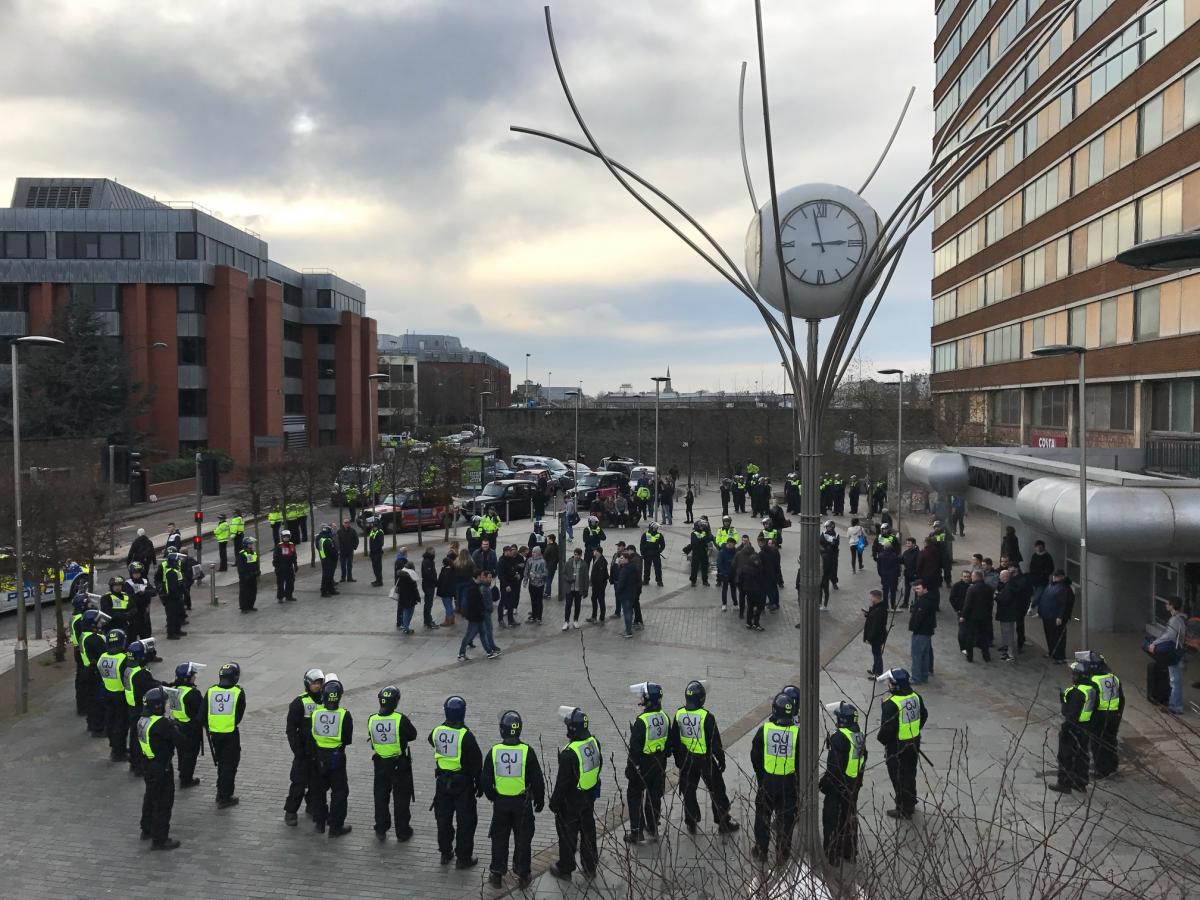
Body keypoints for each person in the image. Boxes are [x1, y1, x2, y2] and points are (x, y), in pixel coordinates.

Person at [484, 710, 545, 889]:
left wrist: (491, 795)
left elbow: (485, 778)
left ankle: (497, 873)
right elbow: (537, 779)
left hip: (501, 803)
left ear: (502, 730)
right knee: (523, 839)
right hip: (522, 804)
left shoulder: (494, 751)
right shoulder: (527, 751)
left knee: (499, 838)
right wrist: (539, 801)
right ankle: (523, 874)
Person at [671, 680, 739, 835]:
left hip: (687, 761)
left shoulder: (679, 713)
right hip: (705, 761)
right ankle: (723, 821)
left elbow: (674, 740)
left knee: (688, 791)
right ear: (702, 699)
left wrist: (679, 760)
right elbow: (715, 743)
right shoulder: (707, 716)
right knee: (717, 790)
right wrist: (721, 760)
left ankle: (691, 821)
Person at [548, 707, 602, 881]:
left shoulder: (569, 753)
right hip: (589, 796)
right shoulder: (594, 742)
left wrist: (554, 803)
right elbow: (599, 765)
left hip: (571, 801)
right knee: (588, 832)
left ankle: (565, 868)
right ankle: (590, 866)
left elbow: (562, 783)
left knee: (567, 835)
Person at [430, 695, 483, 869]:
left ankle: (445, 853)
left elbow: (431, 739)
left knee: (443, 819)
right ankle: (463, 858)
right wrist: (480, 784)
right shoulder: (466, 736)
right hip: (462, 784)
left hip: (442, 782)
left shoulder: (437, 731)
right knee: (466, 821)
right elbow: (476, 762)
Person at [751, 693, 801, 865]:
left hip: (768, 781)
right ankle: (783, 852)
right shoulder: (797, 733)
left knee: (763, 816)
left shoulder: (764, 730)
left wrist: (761, 775)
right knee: (786, 819)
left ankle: (761, 849)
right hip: (788, 783)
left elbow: (755, 756)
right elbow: (802, 761)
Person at [367, 684, 418, 841]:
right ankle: (402, 832)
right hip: (399, 764)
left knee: (381, 796)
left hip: (380, 763)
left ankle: (381, 827)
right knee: (401, 799)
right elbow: (413, 735)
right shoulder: (400, 719)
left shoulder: (372, 719)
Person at [876, 667, 928, 819]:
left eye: (890, 683)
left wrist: (882, 740)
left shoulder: (891, 704)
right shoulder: (916, 696)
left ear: (895, 685)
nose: (889, 685)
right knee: (910, 773)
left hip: (897, 747)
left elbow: (886, 730)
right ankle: (911, 800)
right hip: (914, 742)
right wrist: (914, 731)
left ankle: (903, 808)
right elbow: (924, 715)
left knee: (898, 777)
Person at [820, 700, 866, 865]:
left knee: (832, 819)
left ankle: (832, 853)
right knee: (849, 818)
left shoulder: (839, 738)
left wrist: (826, 783)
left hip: (839, 787)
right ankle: (850, 852)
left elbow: (835, 766)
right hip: (853, 784)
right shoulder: (858, 735)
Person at [625, 682, 668, 844]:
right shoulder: (665, 717)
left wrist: (631, 770)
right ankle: (652, 826)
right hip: (659, 764)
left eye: (643, 696)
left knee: (634, 795)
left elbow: (634, 750)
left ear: (649, 700)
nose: (641, 697)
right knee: (654, 796)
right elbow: (668, 742)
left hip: (643, 765)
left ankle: (636, 832)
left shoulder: (641, 721)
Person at [137, 686, 180, 850]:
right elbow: (180, 740)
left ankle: (146, 829)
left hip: (147, 764)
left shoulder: (142, 720)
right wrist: (175, 727)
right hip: (161, 767)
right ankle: (160, 838)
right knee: (163, 802)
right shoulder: (162, 724)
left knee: (150, 797)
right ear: (158, 706)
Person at [310, 675, 353, 836]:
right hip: (337, 757)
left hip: (319, 755)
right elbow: (347, 739)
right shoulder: (344, 714)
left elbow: (310, 735)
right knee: (339, 792)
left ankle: (319, 822)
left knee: (319, 790)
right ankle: (335, 826)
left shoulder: (316, 713)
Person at [1048, 661, 1097, 793]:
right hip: (1085, 727)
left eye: (1074, 674)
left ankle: (1064, 783)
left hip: (1073, 728)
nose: (1072, 677)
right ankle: (1080, 782)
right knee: (1082, 756)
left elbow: (1069, 713)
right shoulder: (1091, 690)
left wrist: (1064, 701)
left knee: (1065, 756)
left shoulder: (1076, 693)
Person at [284, 668, 324, 825]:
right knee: (298, 783)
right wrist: (297, 750)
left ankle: (312, 805)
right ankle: (291, 812)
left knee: (317, 782)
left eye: (320, 683)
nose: (317, 686)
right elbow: (291, 729)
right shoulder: (299, 702)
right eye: (314, 683)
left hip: (319, 751)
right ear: (308, 684)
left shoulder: (325, 701)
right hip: (303, 752)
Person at [1076, 650, 1125, 777]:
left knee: (1098, 743)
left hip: (1100, 715)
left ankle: (1102, 770)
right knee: (1111, 740)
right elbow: (1122, 698)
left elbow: (1091, 702)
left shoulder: (1093, 681)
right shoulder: (1114, 678)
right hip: (1114, 714)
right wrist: (1119, 713)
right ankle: (1113, 766)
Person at [205, 661, 246, 808]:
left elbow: (203, 713)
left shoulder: (211, 691)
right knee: (230, 766)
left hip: (215, 734)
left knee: (222, 764)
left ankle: (220, 791)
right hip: (230, 735)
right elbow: (239, 715)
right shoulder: (238, 692)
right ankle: (225, 796)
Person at [123, 639, 159, 776]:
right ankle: (139, 766)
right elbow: (151, 686)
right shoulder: (141, 673)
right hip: (139, 709)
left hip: (131, 707)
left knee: (133, 736)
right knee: (140, 739)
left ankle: (134, 762)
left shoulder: (128, 669)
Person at [1148, 596, 1187, 715]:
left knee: (1174, 680)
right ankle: (1175, 704)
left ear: (1172, 605)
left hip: (1174, 652)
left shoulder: (1175, 620)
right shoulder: (1180, 619)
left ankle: (1176, 706)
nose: (1166, 605)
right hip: (1179, 650)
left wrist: (1155, 643)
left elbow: (1170, 636)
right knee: (1176, 679)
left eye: (1167, 604)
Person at [97, 628, 130, 761]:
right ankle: (119, 752)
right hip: (121, 696)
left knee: (111, 721)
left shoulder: (103, 657)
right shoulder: (123, 659)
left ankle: (115, 746)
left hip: (107, 693)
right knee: (121, 724)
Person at [170, 661, 204, 789]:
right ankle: (186, 778)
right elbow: (200, 710)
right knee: (191, 753)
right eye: (193, 675)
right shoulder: (192, 693)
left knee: (181, 751)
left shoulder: (174, 690)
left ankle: (182, 771)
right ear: (187, 678)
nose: (195, 677)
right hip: (190, 727)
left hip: (177, 724)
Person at [78, 610, 110, 736]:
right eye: (98, 622)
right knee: (98, 701)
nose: (100, 624)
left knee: (91, 700)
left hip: (87, 671)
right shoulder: (94, 639)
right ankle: (98, 728)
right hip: (95, 672)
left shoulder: (84, 635)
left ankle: (92, 724)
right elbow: (105, 654)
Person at [458, 569, 500, 661]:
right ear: (477, 577)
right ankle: (461, 653)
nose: (483, 577)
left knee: (482, 633)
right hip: (475, 616)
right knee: (468, 635)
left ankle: (489, 652)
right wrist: (480, 611)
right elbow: (474, 603)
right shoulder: (473, 588)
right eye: (481, 575)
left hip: (479, 616)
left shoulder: (477, 586)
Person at [1039, 570, 1075, 663]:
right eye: (1054, 576)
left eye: (1057, 576)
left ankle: (1060, 656)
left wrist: (1060, 616)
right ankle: (1052, 652)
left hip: (1056, 617)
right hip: (1047, 615)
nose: (1054, 578)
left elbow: (1065, 604)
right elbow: (1044, 598)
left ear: (1062, 577)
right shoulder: (1051, 585)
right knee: (1049, 635)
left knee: (1058, 636)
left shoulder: (1065, 588)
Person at [960, 570, 995, 663]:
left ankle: (970, 656)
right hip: (985, 617)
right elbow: (990, 603)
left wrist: (963, 615)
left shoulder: (972, 589)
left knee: (970, 637)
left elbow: (967, 604)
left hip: (972, 617)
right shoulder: (989, 588)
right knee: (984, 636)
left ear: (975, 577)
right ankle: (986, 656)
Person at [908, 580, 937, 684]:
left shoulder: (923, 601)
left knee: (917, 655)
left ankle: (916, 678)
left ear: (925, 589)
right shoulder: (929, 599)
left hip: (921, 632)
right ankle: (924, 676)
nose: (916, 591)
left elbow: (919, 617)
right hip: (927, 631)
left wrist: (913, 627)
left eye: (918, 588)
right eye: (915, 589)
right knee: (925, 655)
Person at [994, 569, 1021, 661]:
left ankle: (1010, 655)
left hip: (1007, 615)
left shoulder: (1009, 588)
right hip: (1007, 614)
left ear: (1005, 577)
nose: (999, 577)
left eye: (1001, 576)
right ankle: (1007, 652)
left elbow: (1005, 600)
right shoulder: (1008, 586)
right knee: (1006, 634)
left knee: (1008, 635)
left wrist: (996, 597)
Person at [739, 549, 767, 632]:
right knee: (759, 607)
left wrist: (743, 588)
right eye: (756, 560)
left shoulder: (744, 568)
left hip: (748, 590)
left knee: (750, 607)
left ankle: (749, 623)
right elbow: (761, 580)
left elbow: (740, 579)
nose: (757, 562)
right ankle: (756, 623)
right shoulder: (758, 570)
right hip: (757, 591)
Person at [863, 589, 889, 677]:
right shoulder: (877, 607)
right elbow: (873, 618)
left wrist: (869, 638)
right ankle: (875, 670)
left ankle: (878, 672)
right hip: (878, 636)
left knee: (877, 654)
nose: (870, 599)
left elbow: (876, 626)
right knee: (875, 653)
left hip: (877, 636)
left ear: (876, 598)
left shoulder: (880, 610)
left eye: (871, 597)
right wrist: (868, 614)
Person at [234, 535, 260, 613]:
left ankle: (250, 606)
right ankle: (244, 607)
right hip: (245, 577)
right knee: (244, 592)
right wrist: (245, 575)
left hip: (253, 576)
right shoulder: (242, 554)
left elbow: (256, 563)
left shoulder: (253, 553)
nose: (251, 546)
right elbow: (241, 567)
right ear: (245, 545)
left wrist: (257, 571)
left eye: (251, 544)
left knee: (253, 591)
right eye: (249, 544)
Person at [686, 519, 715, 587]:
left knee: (704, 567)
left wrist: (704, 538)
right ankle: (693, 581)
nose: (702, 528)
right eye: (700, 526)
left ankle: (705, 581)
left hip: (704, 551)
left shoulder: (704, 533)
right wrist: (704, 540)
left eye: (702, 526)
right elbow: (695, 543)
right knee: (694, 567)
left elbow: (709, 539)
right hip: (696, 552)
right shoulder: (693, 534)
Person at [562, 547, 587, 628]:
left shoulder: (584, 564)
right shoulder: (568, 563)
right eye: (575, 555)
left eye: (578, 555)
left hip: (578, 589)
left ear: (581, 555)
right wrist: (568, 579)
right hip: (570, 588)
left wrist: (585, 590)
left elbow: (586, 578)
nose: (577, 556)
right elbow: (563, 574)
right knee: (568, 605)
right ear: (574, 554)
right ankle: (566, 622)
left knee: (577, 605)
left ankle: (575, 620)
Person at [394, 559, 420, 635]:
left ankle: (405, 627)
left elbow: (398, 586)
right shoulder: (411, 577)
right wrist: (418, 598)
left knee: (405, 612)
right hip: (410, 598)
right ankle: (406, 627)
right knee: (410, 612)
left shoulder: (400, 575)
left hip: (402, 597)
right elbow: (414, 589)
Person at [522, 546, 547, 625]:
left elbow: (545, 573)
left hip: (540, 585)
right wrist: (525, 581)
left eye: (535, 552)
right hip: (532, 584)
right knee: (533, 600)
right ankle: (534, 615)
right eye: (532, 552)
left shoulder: (542, 562)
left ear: (538, 553)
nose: (533, 554)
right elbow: (526, 570)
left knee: (539, 601)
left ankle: (539, 617)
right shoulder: (530, 560)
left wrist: (536, 575)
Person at [819, 520, 840, 608]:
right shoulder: (823, 533)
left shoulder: (836, 534)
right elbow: (820, 543)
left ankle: (834, 582)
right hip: (824, 555)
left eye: (829, 527)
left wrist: (832, 544)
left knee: (834, 569)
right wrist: (824, 549)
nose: (827, 528)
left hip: (833, 556)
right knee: (824, 569)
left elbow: (836, 544)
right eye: (827, 527)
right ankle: (824, 580)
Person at [876, 537, 901, 610]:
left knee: (885, 591)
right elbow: (897, 566)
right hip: (893, 576)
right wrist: (897, 575)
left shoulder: (880, 555)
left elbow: (878, 567)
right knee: (893, 591)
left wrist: (881, 574)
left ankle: (885, 605)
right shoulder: (895, 556)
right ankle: (893, 605)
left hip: (884, 576)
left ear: (884, 547)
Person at [639, 521, 666, 587]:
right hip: (647, 554)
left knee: (658, 568)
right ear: (651, 528)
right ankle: (646, 580)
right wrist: (643, 554)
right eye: (655, 528)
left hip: (656, 554)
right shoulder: (645, 535)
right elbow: (642, 545)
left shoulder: (659, 535)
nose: (656, 529)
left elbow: (663, 545)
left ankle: (659, 581)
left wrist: (659, 551)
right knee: (646, 568)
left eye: (656, 528)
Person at [586, 547, 608, 625]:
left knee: (601, 600)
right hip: (595, 585)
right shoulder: (596, 559)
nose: (593, 552)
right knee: (594, 599)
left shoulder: (602, 561)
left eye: (594, 551)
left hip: (600, 586)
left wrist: (596, 583)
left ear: (598, 552)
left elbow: (601, 575)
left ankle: (602, 617)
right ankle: (594, 616)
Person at [716, 538, 738, 613]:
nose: (733, 545)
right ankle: (724, 604)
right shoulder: (722, 552)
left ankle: (735, 603)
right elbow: (719, 563)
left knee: (733, 590)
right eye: (732, 544)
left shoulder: (735, 551)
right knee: (724, 589)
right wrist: (724, 572)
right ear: (728, 543)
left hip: (733, 574)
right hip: (725, 575)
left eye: (734, 544)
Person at [317, 524, 339, 597]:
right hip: (328, 561)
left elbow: (321, 551)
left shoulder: (322, 539)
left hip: (326, 560)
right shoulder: (326, 540)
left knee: (329, 576)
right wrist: (332, 558)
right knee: (327, 577)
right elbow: (330, 551)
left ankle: (330, 590)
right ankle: (324, 591)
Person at [365, 518, 385, 587]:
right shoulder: (373, 531)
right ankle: (377, 579)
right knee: (374, 567)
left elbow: (380, 544)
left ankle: (380, 581)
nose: (374, 527)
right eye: (373, 525)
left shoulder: (380, 532)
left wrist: (374, 551)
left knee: (378, 568)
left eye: (375, 525)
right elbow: (371, 541)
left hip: (377, 553)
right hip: (373, 553)